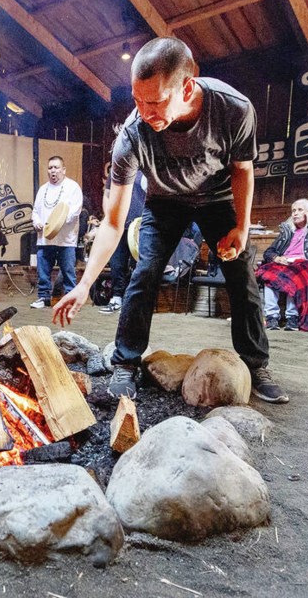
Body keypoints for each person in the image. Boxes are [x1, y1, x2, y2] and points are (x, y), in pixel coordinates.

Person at [52, 36, 287, 404]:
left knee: (241, 274)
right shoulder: (131, 137)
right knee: (144, 273)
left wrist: (241, 228)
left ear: (187, 87)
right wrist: (84, 284)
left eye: (156, 101)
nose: (145, 112)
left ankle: (256, 365)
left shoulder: (233, 109)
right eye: (137, 100)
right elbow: (113, 223)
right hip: (165, 202)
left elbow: (242, 170)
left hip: (217, 197)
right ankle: (126, 364)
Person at [254, 199, 308, 332]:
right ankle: (272, 316)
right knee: (269, 275)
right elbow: (269, 252)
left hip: (305, 263)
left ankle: (292, 317)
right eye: (293, 210)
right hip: (285, 263)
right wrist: (276, 258)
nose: (295, 213)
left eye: (300, 210)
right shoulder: (288, 231)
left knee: (294, 276)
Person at [29, 155, 83, 309]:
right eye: (50, 167)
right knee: (43, 270)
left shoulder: (73, 187)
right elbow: (35, 211)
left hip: (66, 239)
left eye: (56, 167)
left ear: (63, 170)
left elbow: (75, 211)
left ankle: (70, 299)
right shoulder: (42, 189)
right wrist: (37, 222)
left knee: (68, 271)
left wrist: (56, 224)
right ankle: (43, 297)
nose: (53, 171)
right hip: (45, 239)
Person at [99, 164, 148, 314]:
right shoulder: (116, 171)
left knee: (138, 266)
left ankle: (133, 302)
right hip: (118, 226)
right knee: (117, 264)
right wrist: (109, 218)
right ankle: (116, 298)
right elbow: (107, 195)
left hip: (139, 226)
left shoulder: (146, 171)